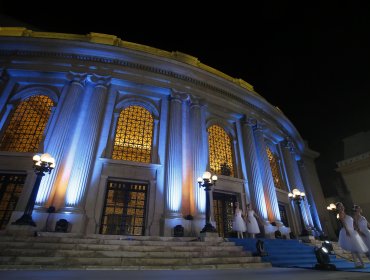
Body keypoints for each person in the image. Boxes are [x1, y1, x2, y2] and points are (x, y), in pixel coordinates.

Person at [336, 202, 368, 268]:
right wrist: (347, 231)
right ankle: (358, 263)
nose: (341, 207)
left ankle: (359, 263)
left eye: (342, 205)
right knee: (354, 249)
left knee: (355, 249)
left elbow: (351, 223)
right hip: (348, 231)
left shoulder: (345, 213)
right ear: (337, 208)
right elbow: (343, 223)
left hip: (352, 231)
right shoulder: (340, 213)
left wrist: (355, 228)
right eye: (339, 206)